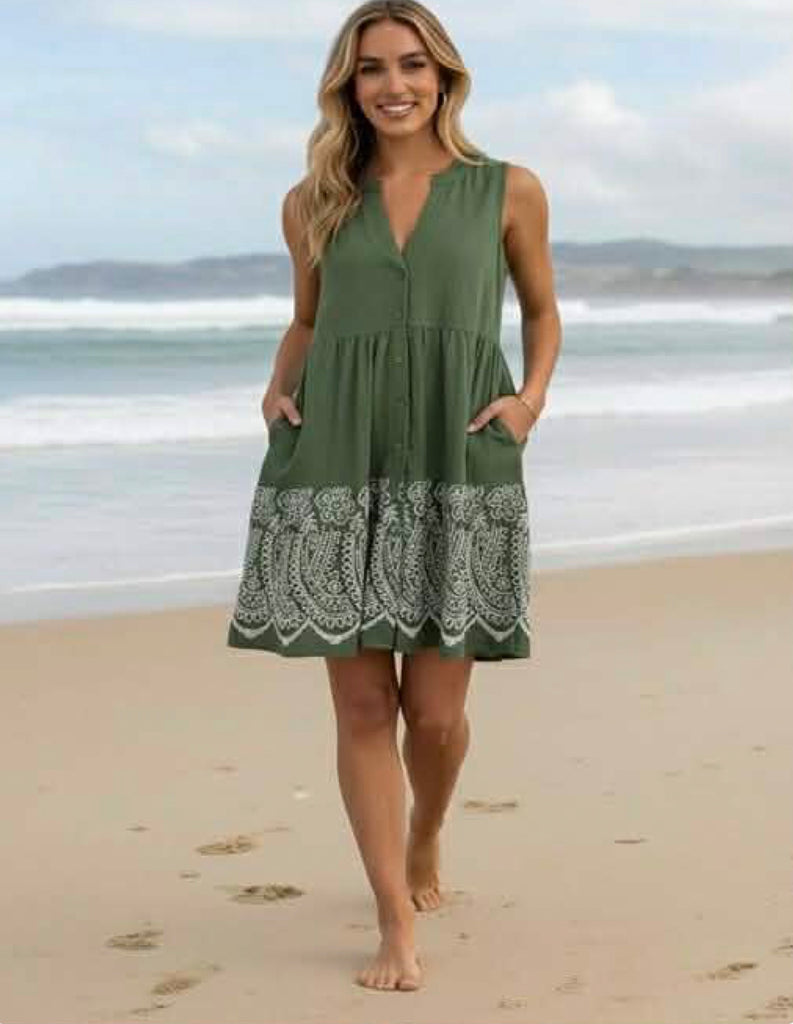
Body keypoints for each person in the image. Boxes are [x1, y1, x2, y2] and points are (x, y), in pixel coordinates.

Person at [227, 0, 561, 993]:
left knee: (437, 714)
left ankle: (427, 830)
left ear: (443, 76)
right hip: (338, 451)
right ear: (348, 86)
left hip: (458, 454)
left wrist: (528, 401)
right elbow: (307, 319)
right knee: (364, 700)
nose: (393, 84)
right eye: (370, 68)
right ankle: (392, 920)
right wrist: (277, 385)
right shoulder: (314, 201)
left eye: (411, 64)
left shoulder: (507, 189)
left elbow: (541, 309)